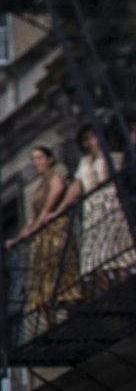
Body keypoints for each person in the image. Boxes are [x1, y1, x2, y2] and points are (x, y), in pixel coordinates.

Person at [9, 143, 82, 322]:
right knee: (43, 279)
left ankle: (73, 316)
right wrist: (18, 238)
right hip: (43, 235)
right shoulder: (39, 187)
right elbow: (33, 217)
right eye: (33, 159)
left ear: (49, 160)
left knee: (61, 273)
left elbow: (47, 210)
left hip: (56, 231)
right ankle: (52, 322)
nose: (36, 162)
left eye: (39, 157)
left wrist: (32, 230)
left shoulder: (55, 179)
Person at [70, 124, 132, 291]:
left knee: (118, 250)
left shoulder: (115, 157)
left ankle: (125, 285)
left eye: (92, 136)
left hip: (111, 203)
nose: (89, 141)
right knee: (93, 258)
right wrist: (58, 211)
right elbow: (76, 187)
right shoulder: (84, 163)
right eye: (86, 139)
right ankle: (110, 290)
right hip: (92, 208)